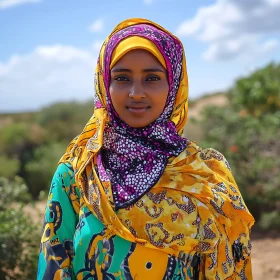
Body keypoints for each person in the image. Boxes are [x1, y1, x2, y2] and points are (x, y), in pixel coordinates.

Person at [37, 18, 255, 280]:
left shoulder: (205, 174)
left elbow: (230, 264)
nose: (135, 93)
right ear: (105, 84)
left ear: (173, 85)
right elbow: (54, 263)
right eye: (122, 78)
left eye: (152, 78)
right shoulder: (78, 172)